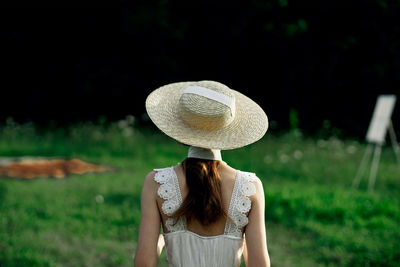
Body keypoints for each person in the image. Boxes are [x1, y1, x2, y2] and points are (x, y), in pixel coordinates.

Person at [134, 80, 271, 267]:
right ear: (227, 127)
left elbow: (144, 263)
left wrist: (160, 242)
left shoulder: (156, 182)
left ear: (182, 124)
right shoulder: (250, 186)